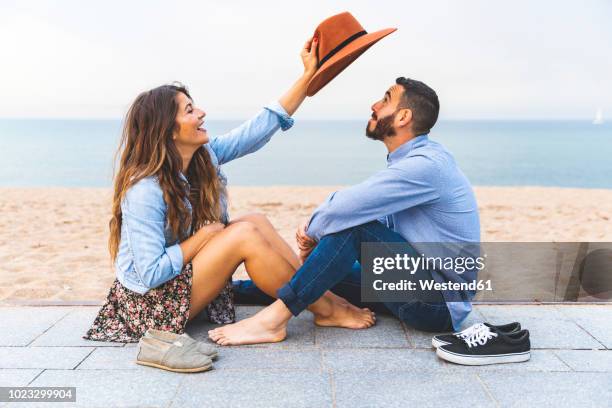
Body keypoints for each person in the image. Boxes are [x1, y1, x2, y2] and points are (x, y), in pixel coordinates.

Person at [84, 38, 375, 343]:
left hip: (179, 289)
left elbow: (258, 129)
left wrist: (306, 78)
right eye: (189, 110)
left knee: (255, 221)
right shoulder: (145, 189)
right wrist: (202, 238)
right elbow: (150, 274)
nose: (201, 114)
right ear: (168, 130)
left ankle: (323, 297)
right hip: (149, 308)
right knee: (243, 235)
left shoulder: (203, 158)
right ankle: (326, 309)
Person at [209, 77, 481, 346]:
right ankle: (225, 294)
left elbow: (344, 209)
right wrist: (319, 248)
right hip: (406, 281)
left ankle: (273, 321)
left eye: (385, 99)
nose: (374, 105)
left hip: (436, 304)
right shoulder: (413, 160)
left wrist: (313, 231)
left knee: (352, 227)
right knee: (324, 272)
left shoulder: (426, 165)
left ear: (403, 117)